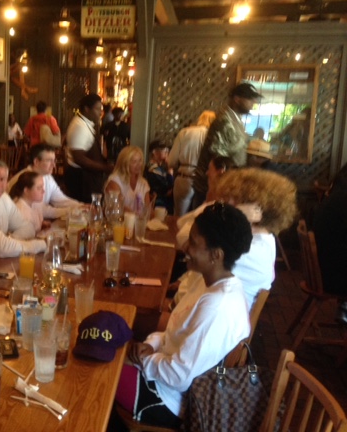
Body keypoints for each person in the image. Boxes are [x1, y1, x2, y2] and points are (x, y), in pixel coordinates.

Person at [113, 203, 252, 428]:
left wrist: (143, 359)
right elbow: (174, 332)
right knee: (106, 343)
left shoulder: (217, 307)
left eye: (194, 243)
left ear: (216, 255)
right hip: (162, 375)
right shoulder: (207, 282)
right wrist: (151, 344)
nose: (185, 246)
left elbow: (180, 377)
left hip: (169, 400)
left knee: (100, 371)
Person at [174, 168, 298, 309]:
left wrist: (233, 214)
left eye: (232, 199)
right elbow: (182, 225)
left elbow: (183, 238)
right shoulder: (262, 238)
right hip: (195, 307)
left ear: (256, 207)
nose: (223, 204)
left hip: (205, 315)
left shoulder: (245, 249)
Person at [192, 82, 263, 207]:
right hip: (212, 185)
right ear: (237, 99)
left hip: (223, 183)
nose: (253, 103)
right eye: (250, 99)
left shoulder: (234, 119)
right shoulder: (225, 119)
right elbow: (218, 157)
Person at [7, 143, 82, 219]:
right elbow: (44, 211)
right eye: (49, 160)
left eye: (54, 160)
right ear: (36, 161)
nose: (54, 165)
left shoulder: (47, 176)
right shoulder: (25, 179)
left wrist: (81, 206)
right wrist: (74, 210)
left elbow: (60, 200)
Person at [64, 93, 112, 203]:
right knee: (84, 208)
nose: (100, 112)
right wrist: (104, 168)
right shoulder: (79, 126)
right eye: (97, 109)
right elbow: (79, 158)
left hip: (86, 177)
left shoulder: (84, 123)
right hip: (80, 179)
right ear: (86, 109)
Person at [167, 110, 216, 216]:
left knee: (179, 218)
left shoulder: (185, 132)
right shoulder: (213, 136)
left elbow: (171, 161)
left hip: (184, 178)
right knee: (198, 218)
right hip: (203, 182)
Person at [313, 168, 347, 324]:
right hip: (331, 277)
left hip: (321, 270)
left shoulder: (336, 196)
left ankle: (344, 307)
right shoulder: (343, 201)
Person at [105, 146, 150, 214]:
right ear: (124, 163)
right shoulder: (115, 181)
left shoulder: (143, 183)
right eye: (134, 161)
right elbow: (118, 207)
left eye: (140, 160)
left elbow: (148, 208)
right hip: (119, 219)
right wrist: (137, 216)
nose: (138, 165)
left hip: (139, 220)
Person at [144, 140, 174, 214]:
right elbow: (168, 188)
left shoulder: (160, 167)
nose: (167, 152)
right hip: (158, 204)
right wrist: (170, 174)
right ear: (154, 152)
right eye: (164, 150)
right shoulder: (153, 169)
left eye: (167, 150)